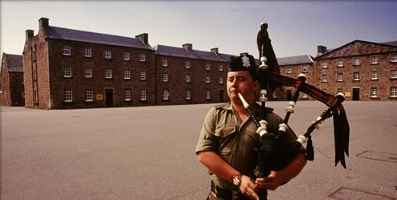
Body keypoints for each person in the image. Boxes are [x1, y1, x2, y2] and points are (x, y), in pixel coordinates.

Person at [195, 53, 307, 200]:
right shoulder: (216, 114)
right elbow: (204, 153)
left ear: (255, 85)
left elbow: (300, 155)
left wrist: (280, 178)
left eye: (241, 79)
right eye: (230, 79)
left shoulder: (270, 120)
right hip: (218, 196)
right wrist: (238, 179)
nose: (234, 84)